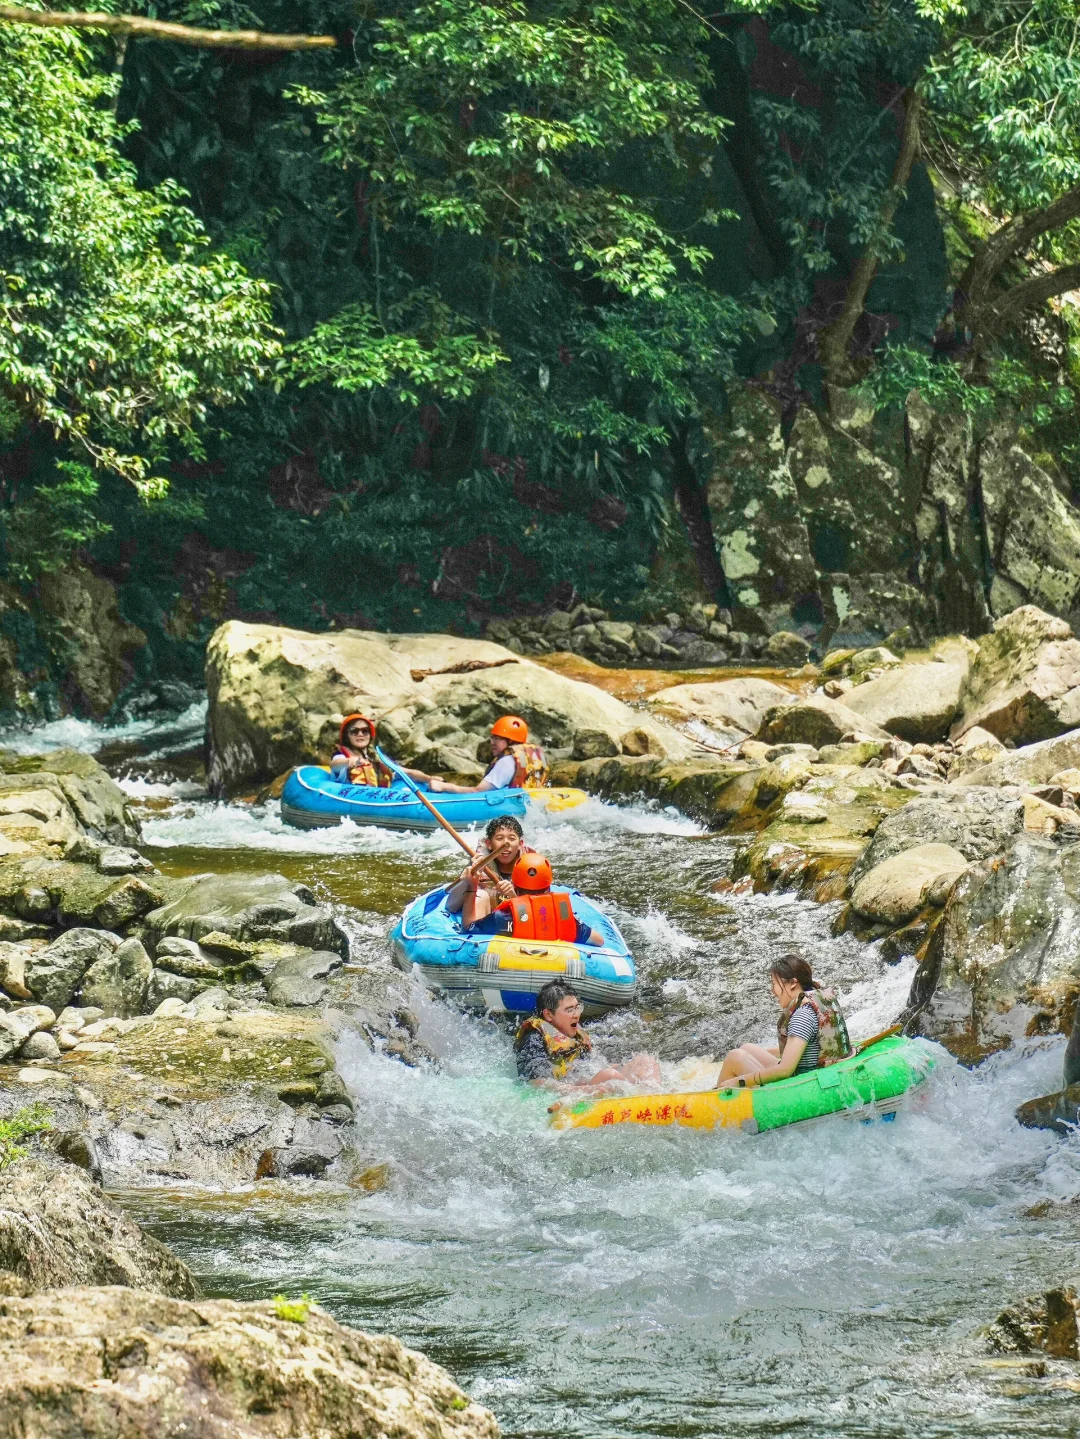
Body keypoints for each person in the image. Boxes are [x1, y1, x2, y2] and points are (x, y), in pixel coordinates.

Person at [715, 954, 853, 1089]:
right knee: (746, 1048)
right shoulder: (814, 1001)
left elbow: (785, 1070)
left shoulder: (802, 1015)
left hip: (801, 1085)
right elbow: (802, 1047)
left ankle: (713, 1101)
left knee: (735, 1057)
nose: (772, 991)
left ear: (793, 983)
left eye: (774, 984)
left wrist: (740, 1081)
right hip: (809, 1070)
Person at [515, 980, 661, 1089]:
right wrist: (575, 1090)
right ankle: (637, 1095)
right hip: (569, 1094)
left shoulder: (575, 1034)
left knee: (644, 1061)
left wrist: (623, 1066)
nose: (576, 1015)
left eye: (577, 1008)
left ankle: (655, 1096)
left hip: (582, 1083)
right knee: (609, 1075)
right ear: (548, 1015)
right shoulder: (534, 1038)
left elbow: (587, 1066)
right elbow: (534, 1081)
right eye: (569, 1010)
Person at [462, 853, 605, 946]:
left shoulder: (502, 918)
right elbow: (599, 940)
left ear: (515, 886)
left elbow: (468, 928)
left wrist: (471, 886)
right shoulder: (564, 917)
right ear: (548, 888)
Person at [429, 715, 548, 794]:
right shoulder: (529, 757)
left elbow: (478, 791)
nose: (492, 743)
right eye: (492, 738)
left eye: (497, 739)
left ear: (510, 741)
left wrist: (443, 787)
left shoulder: (507, 761)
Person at [445, 815, 534, 914]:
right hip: (488, 921)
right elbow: (451, 906)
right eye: (499, 838)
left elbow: (532, 914)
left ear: (520, 844)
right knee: (480, 896)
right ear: (489, 844)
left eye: (512, 839)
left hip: (520, 920)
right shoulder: (478, 864)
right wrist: (468, 881)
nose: (506, 843)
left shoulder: (532, 867)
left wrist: (512, 896)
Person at [328, 713, 429, 788]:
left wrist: (430, 779)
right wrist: (353, 761)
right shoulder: (341, 755)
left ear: (370, 735)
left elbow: (408, 773)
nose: (360, 734)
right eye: (354, 731)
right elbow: (335, 764)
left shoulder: (377, 758)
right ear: (347, 736)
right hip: (352, 798)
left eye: (365, 731)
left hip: (378, 798)